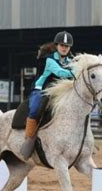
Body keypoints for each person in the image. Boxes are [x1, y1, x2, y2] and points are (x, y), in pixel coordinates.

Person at [21, 31, 75, 159]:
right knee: (34, 109)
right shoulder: (49, 60)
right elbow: (61, 73)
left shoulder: (72, 60)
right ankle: (29, 140)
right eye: (62, 45)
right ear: (56, 46)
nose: (64, 48)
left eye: (67, 46)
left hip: (59, 92)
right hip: (41, 90)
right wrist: (78, 72)